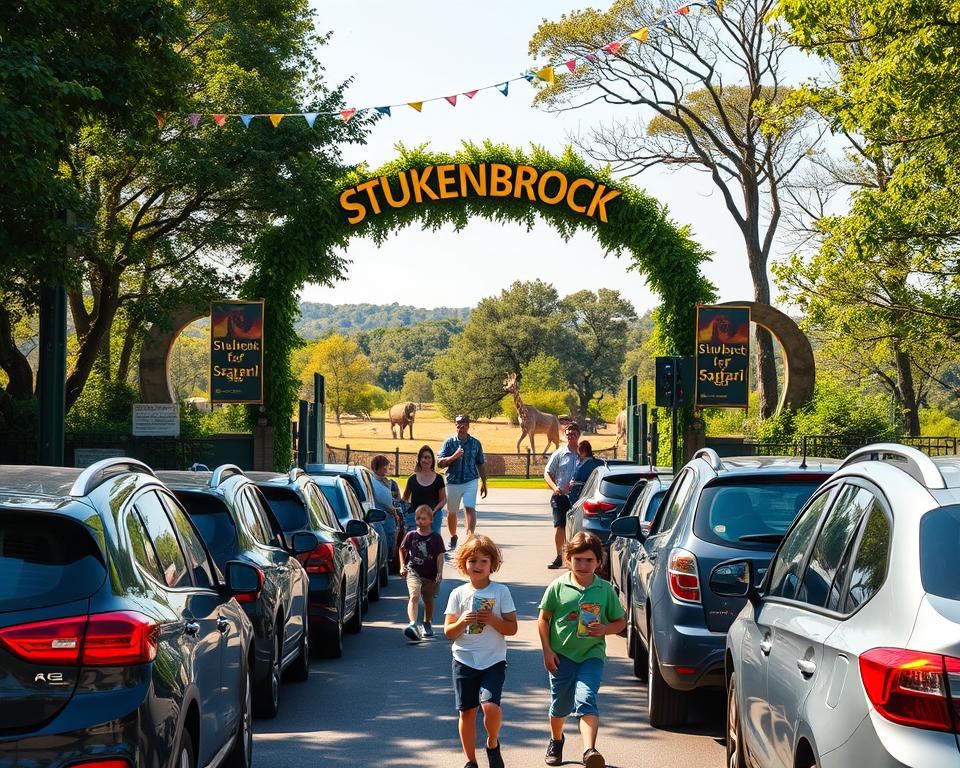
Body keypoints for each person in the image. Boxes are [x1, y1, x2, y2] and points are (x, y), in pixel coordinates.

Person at [538, 532, 626, 768]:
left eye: (589, 560)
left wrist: (605, 629)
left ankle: (590, 750)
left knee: (586, 698)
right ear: (568, 559)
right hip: (561, 656)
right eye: (578, 560)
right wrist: (547, 650)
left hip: (591, 655)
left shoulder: (604, 589)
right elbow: (544, 619)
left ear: (599, 562)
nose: (583, 565)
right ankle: (556, 740)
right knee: (560, 706)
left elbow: (621, 621)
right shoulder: (558, 587)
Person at [444, 534, 517, 768]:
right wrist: (462, 622)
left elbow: (512, 628)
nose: (477, 566)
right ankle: (470, 761)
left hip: (493, 660)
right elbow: (448, 632)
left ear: (492, 565)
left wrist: (494, 620)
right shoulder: (458, 594)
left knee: (490, 706)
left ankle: (493, 743)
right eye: (472, 561)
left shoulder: (501, 592)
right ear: (464, 563)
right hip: (464, 659)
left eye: (484, 561)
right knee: (466, 712)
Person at [437, 415, 487, 550]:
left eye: (463, 424)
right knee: (452, 511)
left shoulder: (476, 443)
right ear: (456, 426)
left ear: (468, 425)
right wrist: (454, 456)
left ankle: (470, 536)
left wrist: (484, 482)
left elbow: (481, 463)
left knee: (470, 507)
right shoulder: (449, 443)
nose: (461, 427)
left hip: (470, 480)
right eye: (458, 424)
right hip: (453, 481)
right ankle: (453, 536)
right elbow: (440, 463)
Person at [399, 504, 445, 642]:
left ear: (431, 520)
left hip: (431, 574)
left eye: (424, 518)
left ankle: (427, 622)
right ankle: (413, 624)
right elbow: (402, 549)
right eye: (418, 518)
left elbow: (440, 556)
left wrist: (440, 573)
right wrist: (402, 565)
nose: (420, 521)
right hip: (414, 571)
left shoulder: (436, 538)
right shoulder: (411, 535)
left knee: (428, 600)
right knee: (414, 596)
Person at [543, 422, 582, 569]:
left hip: (579, 496)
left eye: (573, 433)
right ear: (565, 436)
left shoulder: (582, 454)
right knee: (560, 525)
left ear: (579, 435)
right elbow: (547, 472)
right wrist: (555, 487)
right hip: (560, 496)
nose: (570, 436)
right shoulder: (559, 453)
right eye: (568, 434)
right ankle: (559, 556)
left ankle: (575, 557)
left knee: (578, 527)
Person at [403, 445, 447, 535]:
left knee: (434, 544)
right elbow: (405, 499)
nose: (425, 460)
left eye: (428, 457)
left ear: (432, 460)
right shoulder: (412, 478)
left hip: (434, 516)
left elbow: (443, 500)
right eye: (422, 457)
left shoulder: (438, 478)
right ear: (419, 460)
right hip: (415, 518)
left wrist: (434, 511)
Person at [370, 454, 404, 551]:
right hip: (380, 519)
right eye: (384, 466)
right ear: (377, 467)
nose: (386, 469)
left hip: (389, 520)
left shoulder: (390, 483)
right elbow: (385, 502)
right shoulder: (372, 482)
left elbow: (397, 500)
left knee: (391, 541)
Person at [567, 440, 603, 507]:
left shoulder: (582, 467)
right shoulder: (600, 463)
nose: (577, 456)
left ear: (583, 453)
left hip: (581, 501)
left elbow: (576, 486)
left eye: (578, 453)